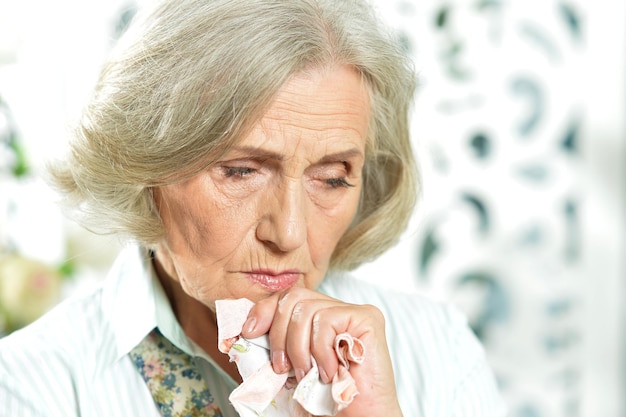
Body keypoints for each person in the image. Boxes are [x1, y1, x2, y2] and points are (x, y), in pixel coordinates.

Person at [0, 0, 508, 416]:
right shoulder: (28, 385)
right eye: (241, 171)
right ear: (145, 165)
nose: (289, 233)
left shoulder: (437, 348)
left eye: (332, 179)